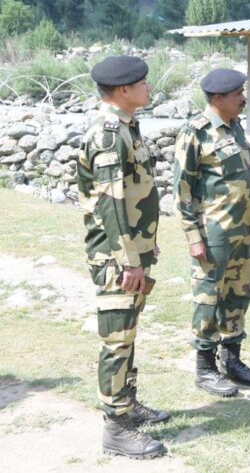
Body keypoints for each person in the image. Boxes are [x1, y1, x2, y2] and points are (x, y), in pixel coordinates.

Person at [76, 55, 169, 459]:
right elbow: (111, 205)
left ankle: (127, 407)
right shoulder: (109, 135)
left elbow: (136, 195)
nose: (149, 88)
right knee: (116, 339)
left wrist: (146, 248)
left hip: (133, 252)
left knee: (127, 332)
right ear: (123, 91)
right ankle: (115, 428)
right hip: (117, 258)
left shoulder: (128, 127)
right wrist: (130, 260)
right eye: (143, 83)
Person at [173, 68, 250, 397]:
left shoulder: (235, 128)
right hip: (214, 234)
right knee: (209, 298)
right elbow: (182, 192)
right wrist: (193, 237)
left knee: (238, 294)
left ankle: (232, 359)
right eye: (238, 93)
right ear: (218, 98)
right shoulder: (195, 133)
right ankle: (205, 368)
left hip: (242, 230)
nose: (244, 97)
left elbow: (244, 184)